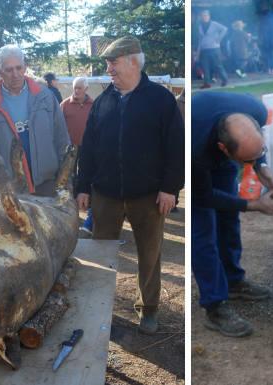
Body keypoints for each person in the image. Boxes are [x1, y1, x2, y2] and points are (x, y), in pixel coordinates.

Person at [76, 36, 184, 334]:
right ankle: (100, 306)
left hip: (148, 197)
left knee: (149, 255)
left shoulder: (161, 100)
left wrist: (170, 188)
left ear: (134, 61)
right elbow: (88, 148)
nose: (109, 69)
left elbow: (175, 148)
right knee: (101, 255)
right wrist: (82, 186)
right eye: (108, 64)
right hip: (106, 195)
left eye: (114, 62)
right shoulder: (102, 102)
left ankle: (148, 310)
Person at [192, 91, 273, 337]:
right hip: (197, 164)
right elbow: (205, 196)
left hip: (220, 154)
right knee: (203, 235)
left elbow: (254, 148)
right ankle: (215, 304)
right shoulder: (193, 144)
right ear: (223, 148)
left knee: (229, 220)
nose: (249, 163)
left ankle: (233, 280)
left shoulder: (257, 110)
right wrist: (254, 205)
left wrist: (260, 164)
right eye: (246, 159)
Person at [0, 45, 70, 197]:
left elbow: (62, 140)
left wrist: (66, 181)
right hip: (10, 190)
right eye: (8, 70)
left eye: (19, 68)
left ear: (25, 67)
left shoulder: (46, 98)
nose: (15, 74)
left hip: (47, 185)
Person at [60, 76, 94, 233]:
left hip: (88, 147)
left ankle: (86, 208)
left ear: (86, 89)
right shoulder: (65, 105)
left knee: (86, 176)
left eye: (80, 88)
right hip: (70, 148)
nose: (77, 90)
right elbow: (58, 126)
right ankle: (70, 210)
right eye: (75, 88)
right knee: (68, 178)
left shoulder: (93, 104)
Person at [196, 9, 228, 89]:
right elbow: (200, 39)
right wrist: (198, 52)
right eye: (203, 16)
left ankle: (225, 79)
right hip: (204, 49)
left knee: (218, 65)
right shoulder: (200, 26)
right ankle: (207, 83)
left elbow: (225, 29)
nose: (204, 17)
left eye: (206, 15)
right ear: (201, 17)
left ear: (209, 16)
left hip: (214, 48)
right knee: (205, 67)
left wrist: (219, 39)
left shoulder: (214, 24)